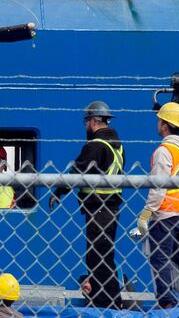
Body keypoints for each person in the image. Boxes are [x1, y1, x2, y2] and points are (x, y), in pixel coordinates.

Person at [49, 101, 125, 309]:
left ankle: (105, 304)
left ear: (92, 121)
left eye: (86, 122)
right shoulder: (116, 145)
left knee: (96, 257)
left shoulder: (95, 146)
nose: (86, 127)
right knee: (104, 256)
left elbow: (78, 171)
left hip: (99, 207)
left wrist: (59, 192)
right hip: (111, 207)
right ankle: (111, 301)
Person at [130, 102, 179, 309]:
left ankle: (167, 304)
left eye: (159, 120)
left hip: (166, 214)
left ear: (164, 124)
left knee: (159, 259)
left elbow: (159, 185)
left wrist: (146, 214)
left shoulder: (164, 151)